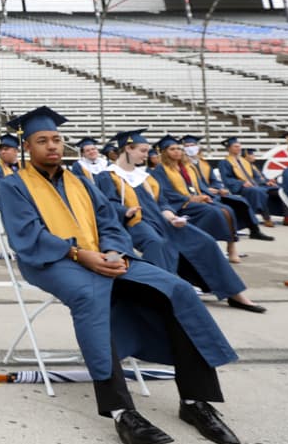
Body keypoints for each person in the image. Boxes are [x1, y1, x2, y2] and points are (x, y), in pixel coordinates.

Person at [0, 107, 242, 444]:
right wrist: (79, 254)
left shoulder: (80, 181)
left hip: (104, 255)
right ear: (28, 147)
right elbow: (28, 233)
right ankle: (120, 411)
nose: (52, 146)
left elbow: (109, 221)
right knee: (90, 294)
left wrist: (113, 252)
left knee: (176, 289)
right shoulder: (14, 186)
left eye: (56, 139)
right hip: (50, 261)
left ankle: (195, 401)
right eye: (42, 141)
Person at [100, 130, 264, 313]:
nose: (147, 155)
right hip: (133, 223)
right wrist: (125, 211)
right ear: (128, 149)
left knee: (205, 242)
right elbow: (107, 205)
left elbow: (162, 202)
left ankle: (235, 294)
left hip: (161, 221)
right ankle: (165, 294)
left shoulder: (144, 176)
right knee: (158, 244)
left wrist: (172, 217)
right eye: (143, 150)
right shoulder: (108, 175)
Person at [151, 135, 244, 263]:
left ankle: (231, 246)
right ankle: (208, 247)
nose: (177, 151)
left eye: (179, 148)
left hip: (197, 200)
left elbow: (201, 186)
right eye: (172, 149)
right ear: (164, 152)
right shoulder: (159, 170)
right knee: (212, 212)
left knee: (227, 209)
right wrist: (191, 198)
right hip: (178, 204)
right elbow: (165, 192)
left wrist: (207, 196)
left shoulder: (189, 167)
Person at [181, 135, 267, 242]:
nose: (190, 148)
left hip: (214, 193)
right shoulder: (183, 166)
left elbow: (214, 180)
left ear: (198, 147)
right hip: (201, 195)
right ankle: (231, 234)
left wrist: (218, 188)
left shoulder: (204, 163)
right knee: (226, 208)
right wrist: (207, 190)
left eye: (192, 145)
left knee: (241, 202)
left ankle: (254, 230)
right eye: (187, 146)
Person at [217, 137, 288, 228]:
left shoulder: (245, 162)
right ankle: (266, 218)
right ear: (229, 148)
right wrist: (241, 183)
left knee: (280, 190)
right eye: (235, 146)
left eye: (239, 146)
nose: (238, 148)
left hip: (256, 186)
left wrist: (266, 182)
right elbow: (226, 179)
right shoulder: (224, 162)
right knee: (257, 191)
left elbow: (256, 177)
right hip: (241, 188)